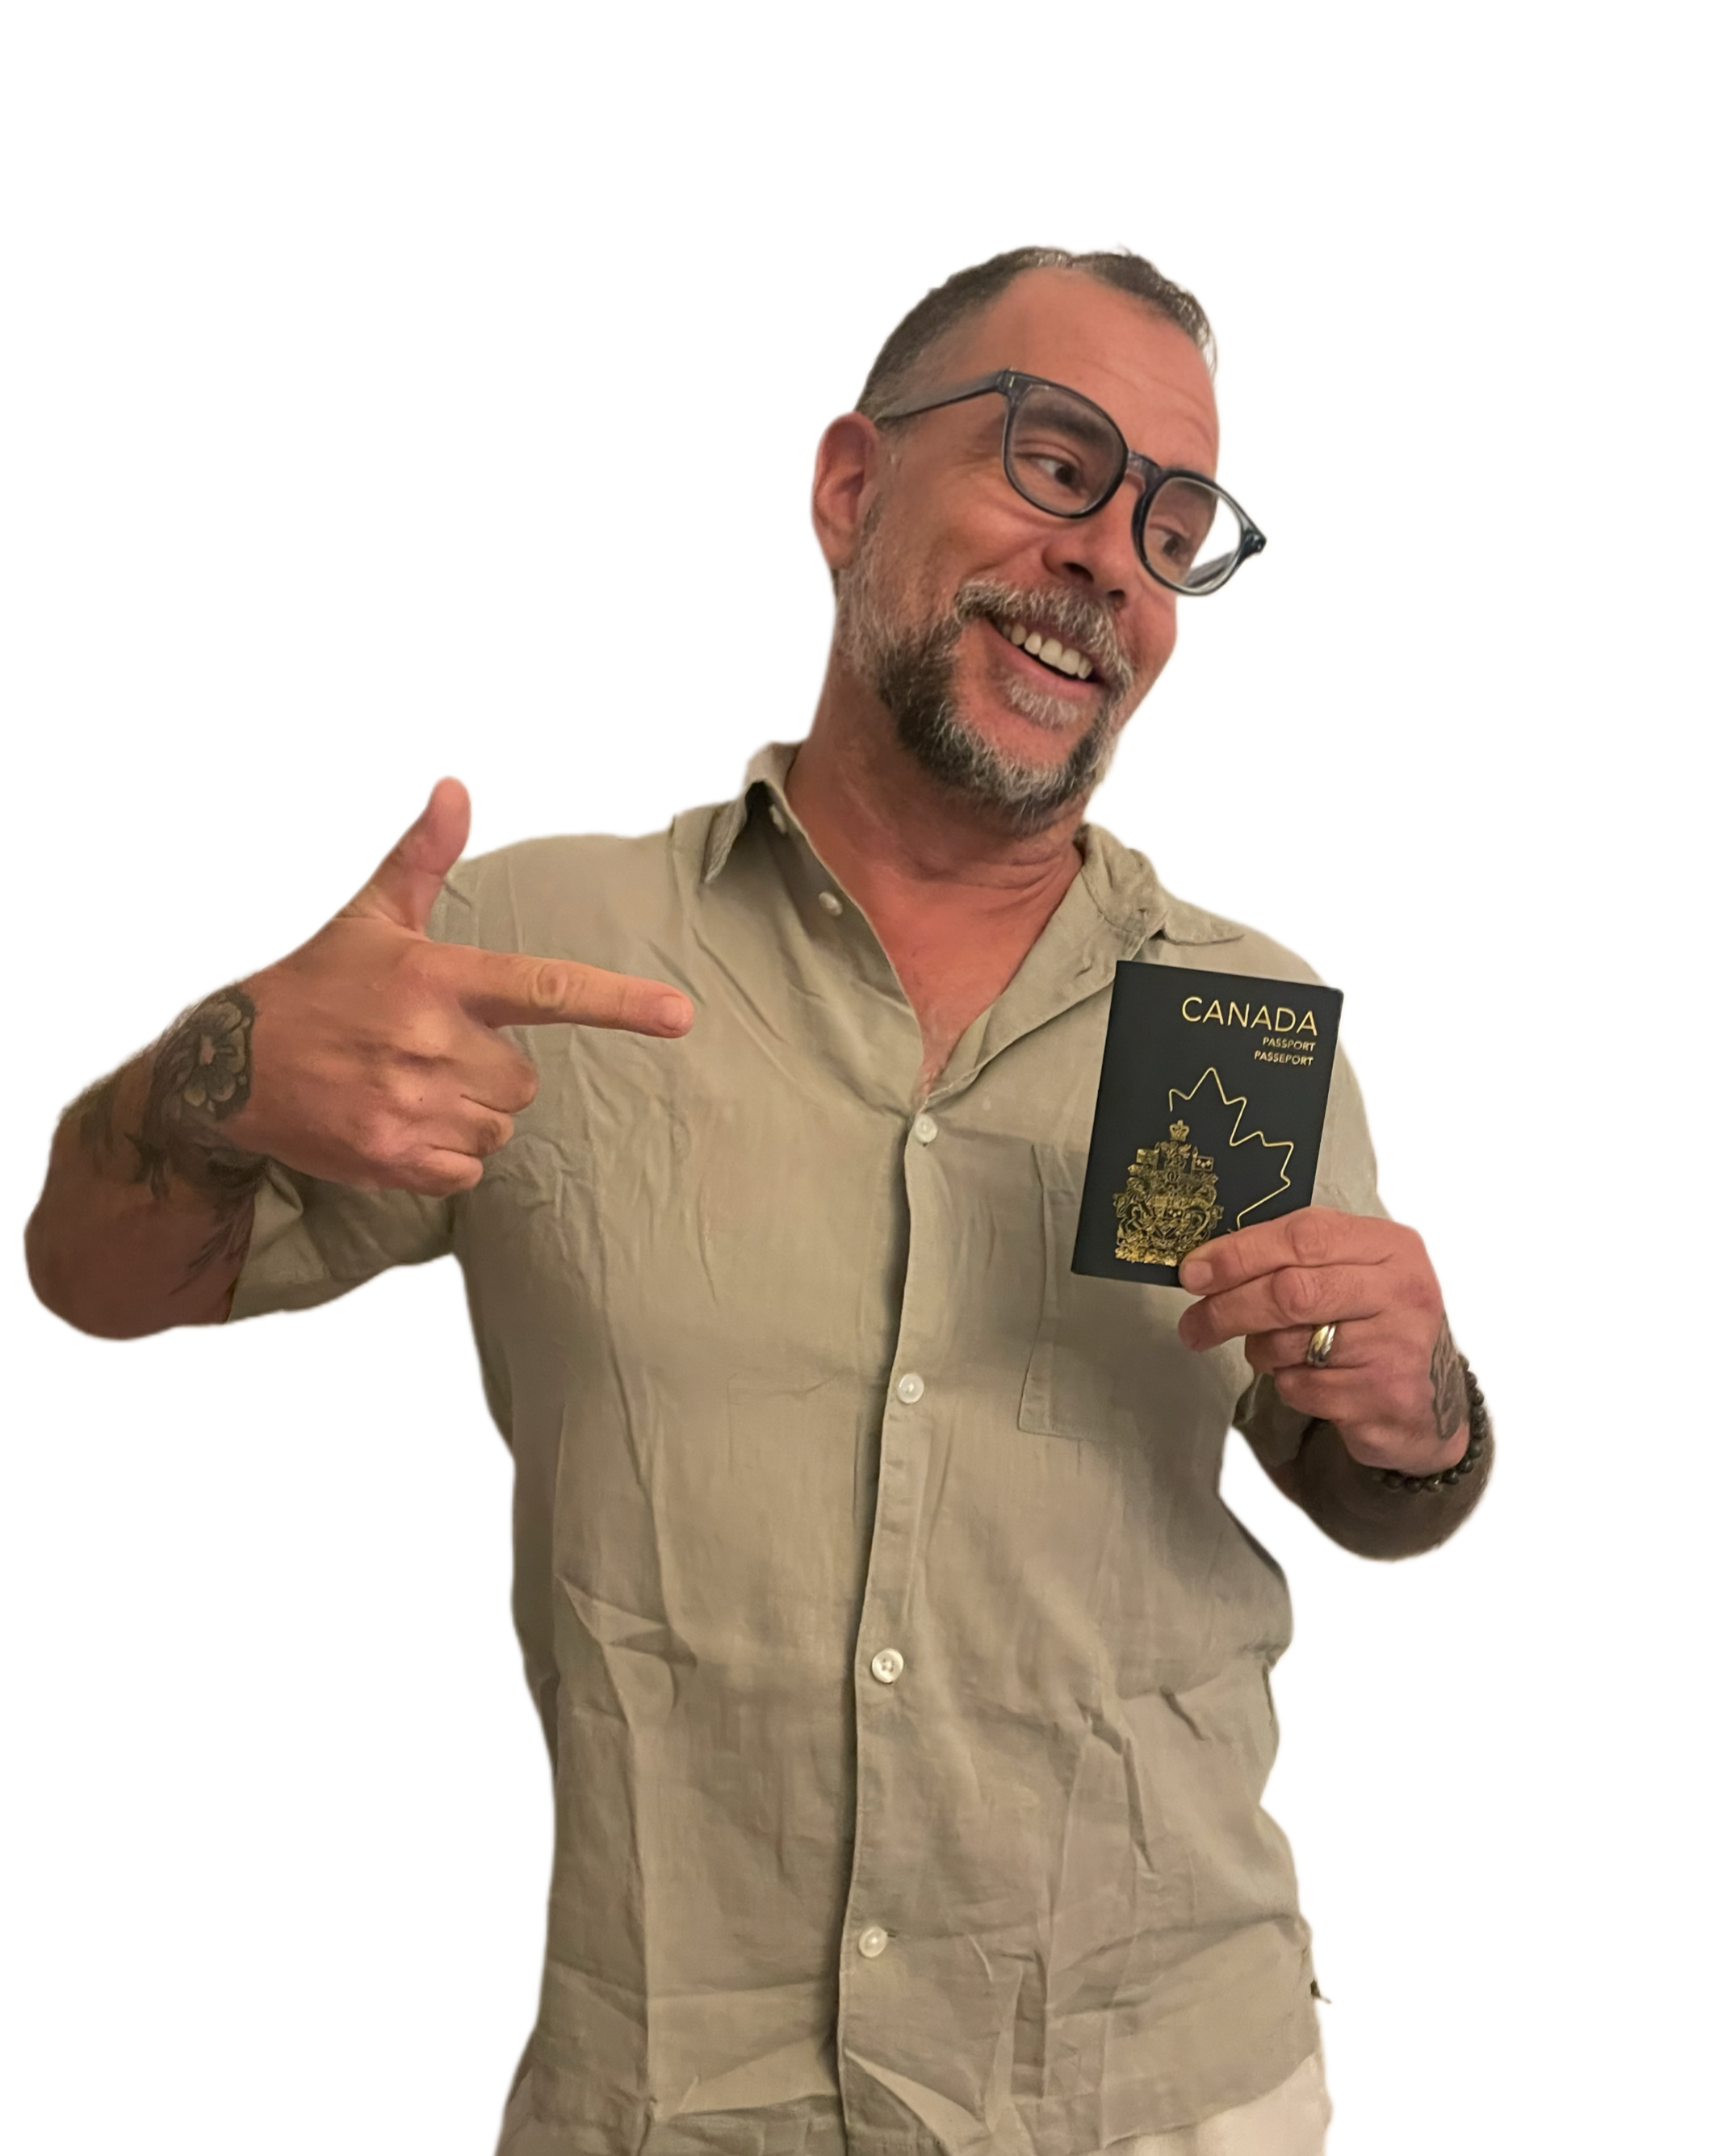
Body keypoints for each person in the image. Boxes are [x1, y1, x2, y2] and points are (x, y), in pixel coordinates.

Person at [23, 241, 1498, 2155]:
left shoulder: (1228, 1023)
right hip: (672, 2103)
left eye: (1171, 519)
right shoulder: (524, 955)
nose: (1106, 557)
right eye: (1053, 461)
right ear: (844, 485)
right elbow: (92, 1267)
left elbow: (1365, 1483)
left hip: (1154, 2091)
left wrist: (1417, 1413)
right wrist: (216, 1075)